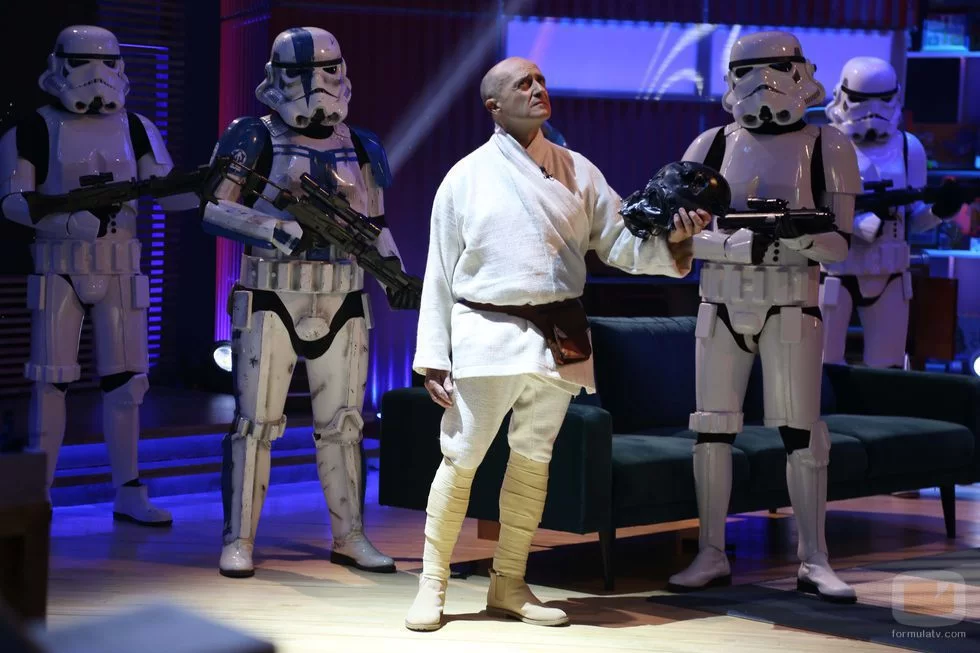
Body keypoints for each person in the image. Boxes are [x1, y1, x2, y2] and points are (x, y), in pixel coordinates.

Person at [405, 56, 708, 631]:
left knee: (533, 460)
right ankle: (432, 583)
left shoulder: (578, 170)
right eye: (523, 83)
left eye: (541, 80)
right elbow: (439, 272)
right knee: (462, 456)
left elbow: (619, 243)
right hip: (486, 332)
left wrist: (674, 241)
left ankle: (509, 582)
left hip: (558, 334)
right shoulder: (464, 177)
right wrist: (434, 358)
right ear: (494, 105)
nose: (538, 89)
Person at [202, 27, 408, 578]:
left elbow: (376, 223)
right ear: (277, 77)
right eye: (301, 74)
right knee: (255, 425)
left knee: (344, 424)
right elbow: (215, 208)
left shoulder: (361, 145)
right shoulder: (254, 136)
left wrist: (395, 274)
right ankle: (239, 539)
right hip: (272, 291)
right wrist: (272, 229)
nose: (316, 84)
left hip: (343, 294)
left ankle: (350, 535)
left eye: (326, 71)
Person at [668, 31, 861, 603]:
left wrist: (791, 238)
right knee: (711, 427)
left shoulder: (828, 146)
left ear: (801, 73)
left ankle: (814, 558)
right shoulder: (710, 145)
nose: (762, 83)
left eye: (775, 69)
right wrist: (737, 244)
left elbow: (839, 244)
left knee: (802, 432)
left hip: (792, 303)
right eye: (747, 71)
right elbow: (676, 237)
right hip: (721, 302)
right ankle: (711, 551)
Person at [0, 25, 194, 525]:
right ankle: (38, 493)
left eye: (108, 62)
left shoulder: (138, 128)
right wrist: (68, 222)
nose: (97, 74)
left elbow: (165, 191)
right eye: (84, 61)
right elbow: (13, 201)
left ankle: (128, 491)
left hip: (120, 266)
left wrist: (211, 189)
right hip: (58, 265)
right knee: (50, 383)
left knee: (127, 385)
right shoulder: (33, 130)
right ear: (59, 64)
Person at [821, 56, 962, 369]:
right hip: (834, 273)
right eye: (861, 99)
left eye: (883, 99)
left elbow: (914, 221)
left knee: (887, 368)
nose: (873, 110)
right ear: (842, 96)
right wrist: (864, 222)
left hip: (890, 272)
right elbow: (816, 210)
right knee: (822, 367)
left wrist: (940, 211)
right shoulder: (824, 146)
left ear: (896, 96)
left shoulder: (908, 148)